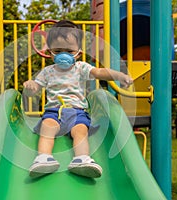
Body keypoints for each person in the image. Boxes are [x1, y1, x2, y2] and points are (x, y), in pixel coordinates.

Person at [23, 20, 133, 178]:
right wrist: (31, 86)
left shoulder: (81, 67)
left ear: (78, 52)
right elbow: (35, 89)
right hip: (54, 112)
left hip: (77, 112)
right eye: (58, 50)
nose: (63, 55)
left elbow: (100, 72)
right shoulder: (47, 72)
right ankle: (43, 158)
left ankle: (81, 159)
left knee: (80, 131)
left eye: (68, 50)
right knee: (47, 128)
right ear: (49, 52)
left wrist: (119, 76)